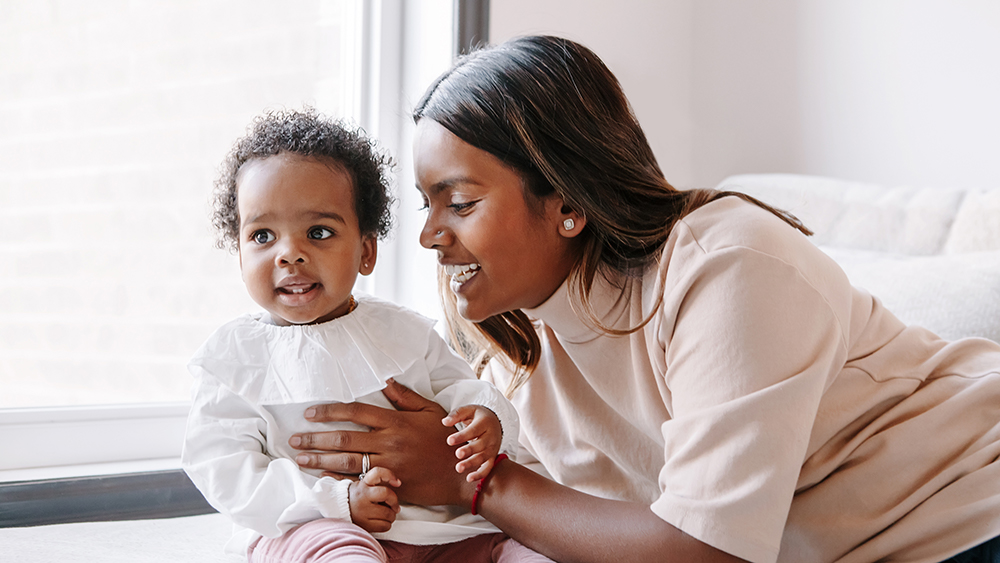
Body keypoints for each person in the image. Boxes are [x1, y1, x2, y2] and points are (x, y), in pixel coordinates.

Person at [287, 36, 1000, 563]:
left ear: (566, 201)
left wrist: (477, 483)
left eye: (461, 201)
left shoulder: (726, 265)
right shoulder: (516, 354)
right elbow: (558, 528)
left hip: (968, 518)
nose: (429, 237)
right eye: (425, 204)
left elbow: (703, 551)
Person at [181, 108, 553, 563]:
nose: (289, 254)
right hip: (314, 527)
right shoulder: (232, 359)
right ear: (238, 253)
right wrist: (338, 503)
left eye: (318, 232)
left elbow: (461, 388)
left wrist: (486, 418)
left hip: (439, 527)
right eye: (262, 236)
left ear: (366, 251)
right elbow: (227, 471)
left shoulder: (402, 331)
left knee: (521, 551)